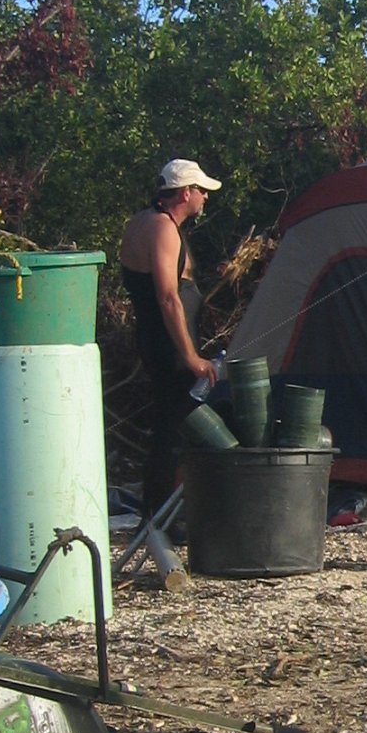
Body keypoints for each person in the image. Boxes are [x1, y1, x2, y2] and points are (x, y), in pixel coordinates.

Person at [119, 158, 221, 517]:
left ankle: (159, 510)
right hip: (167, 347)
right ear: (185, 193)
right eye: (201, 191)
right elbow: (167, 297)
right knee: (174, 427)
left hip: (157, 340)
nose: (205, 198)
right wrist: (191, 357)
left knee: (169, 424)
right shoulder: (161, 228)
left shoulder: (142, 221)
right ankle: (161, 514)